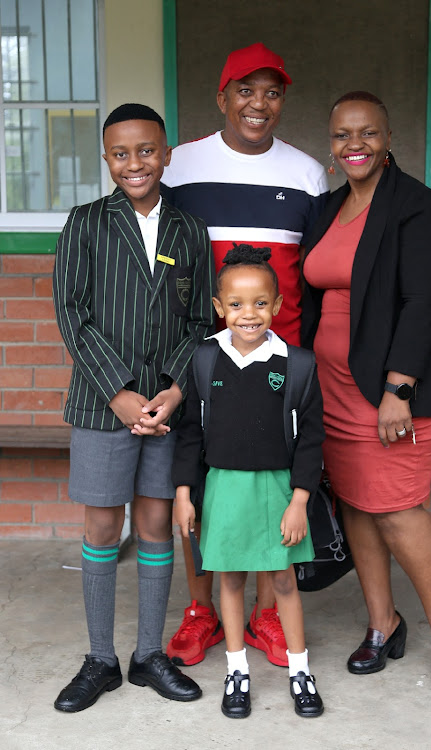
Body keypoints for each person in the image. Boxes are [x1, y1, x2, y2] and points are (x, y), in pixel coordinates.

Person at [162, 42, 329, 669]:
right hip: (206, 358)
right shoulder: (181, 165)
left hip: (278, 357)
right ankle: (202, 610)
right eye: (245, 89)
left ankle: (266, 613)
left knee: (268, 485)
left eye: (272, 92)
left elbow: (308, 276)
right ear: (222, 96)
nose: (258, 103)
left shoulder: (307, 172)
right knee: (205, 483)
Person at [301, 91, 431, 691]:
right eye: (344, 134)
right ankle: (383, 624)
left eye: (368, 133)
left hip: (389, 390)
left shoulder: (415, 207)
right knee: (356, 510)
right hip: (332, 390)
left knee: (399, 512)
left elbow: (423, 302)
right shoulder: (325, 211)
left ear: (388, 138)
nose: (355, 144)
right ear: (332, 143)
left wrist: (399, 388)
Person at [52, 103, 215, 712]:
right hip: (102, 407)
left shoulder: (188, 229)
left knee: (155, 526)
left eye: (146, 150)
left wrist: (174, 387)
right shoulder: (86, 223)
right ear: (106, 158)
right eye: (120, 153)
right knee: (101, 527)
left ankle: (149, 654)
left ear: (167, 153)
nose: (134, 163)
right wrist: (118, 393)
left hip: (166, 408)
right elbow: (72, 314)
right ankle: (101, 659)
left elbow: (201, 319)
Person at [173, 245, 325, 718]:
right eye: (235, 304)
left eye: (260, 302)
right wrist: (183, 493)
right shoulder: (204, 360)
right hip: (224, 490)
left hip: (277, 491)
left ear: (278, 305)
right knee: (231, 582)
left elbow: (312, 440)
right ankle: (236, 669)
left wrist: (300, 500)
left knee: (282, 581)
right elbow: (190, 433)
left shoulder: (297, 365)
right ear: (219, 308)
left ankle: (300, 670)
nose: (248, 314)